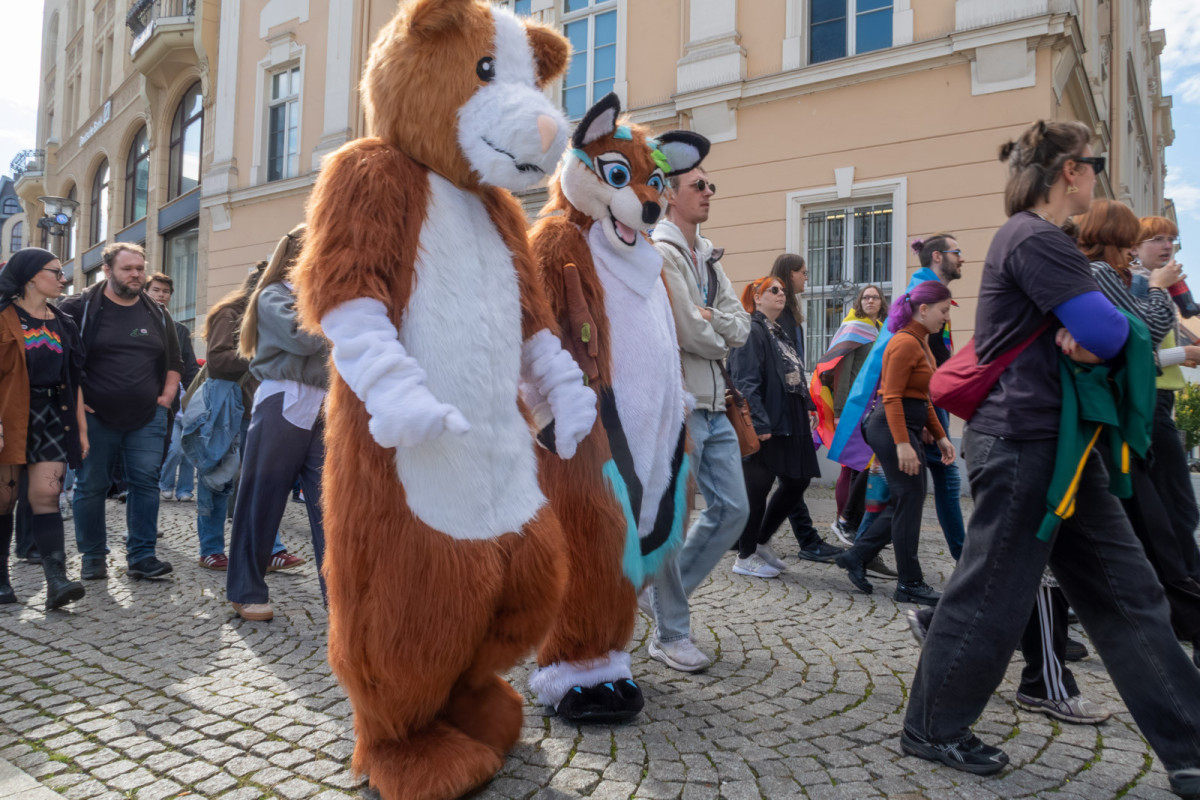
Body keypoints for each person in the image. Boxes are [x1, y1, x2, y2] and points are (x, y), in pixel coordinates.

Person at [900, 120, 1200, 800]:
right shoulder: (1032, 236)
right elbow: (1109, 328)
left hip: (1061, 444)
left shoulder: (1045, 242)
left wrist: (1105, 332)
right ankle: (931, 726)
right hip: (1023, 442)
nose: (1097, 175)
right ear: (1070, 169)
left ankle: (1190, 749)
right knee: (995, 590)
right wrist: (1106, 331)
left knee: (1129, 593)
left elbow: (1105, 330)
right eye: (1093, 163)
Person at [1078, 202, 1200, 669]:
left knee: (1156, 520)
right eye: (1150, 239)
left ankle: (1175, 614)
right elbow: (1135, 346)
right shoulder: (1113, 279)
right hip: (1121, 415)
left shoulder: (1138, 284)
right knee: (1153, 521)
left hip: (1137, 411)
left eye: (1171, 241)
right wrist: (1157, 293)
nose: (1163, 247)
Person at [647, 166, 751, 672]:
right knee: (672, 522)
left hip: (716, 403)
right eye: (699, 186)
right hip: (683, 404)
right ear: (670, 194)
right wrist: (717, 329)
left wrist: (719, 324)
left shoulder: (706, 256)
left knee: (733, 510)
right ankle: (671, 632)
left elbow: (744, 325)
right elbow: (690, 330)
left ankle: (662, 598)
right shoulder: (663, 251)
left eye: (713, 186)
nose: (709, 192)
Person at [61, 243, 183, 580]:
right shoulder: (79, 307)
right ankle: (93, 557)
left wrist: (168, 394)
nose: (136, 275)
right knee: (91, 484)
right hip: (96, 415)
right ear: (108, 270)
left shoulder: (157, 311)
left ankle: (142, 556)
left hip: (148, 415)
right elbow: (60, 360)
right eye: (128, 269)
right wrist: (73, 399)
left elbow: (174, 359)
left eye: (140, 269)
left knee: (145, 483)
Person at [226, 226, 327, 622]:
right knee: (261, 500)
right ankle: (245, 589)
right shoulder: (273, 295)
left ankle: (340, 598)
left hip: (323, 404)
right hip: (283, 400)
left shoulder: (323, 297)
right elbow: (304, 341)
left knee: (330, 507)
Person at [833, 280, 954, 605]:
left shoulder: (920, 341)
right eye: (943, 311)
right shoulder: (904, 343)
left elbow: (921, 397)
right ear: (924, 309)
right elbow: (893, 397)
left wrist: (941, 436)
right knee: (909, 500)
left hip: (901, 429)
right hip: (891, 429)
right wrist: (903, 444)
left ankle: (858, 556)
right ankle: (909, 582)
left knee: (906, 501)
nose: (945, 318)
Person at [184, 261, 302, 572]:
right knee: (217, 481)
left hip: (260, 409)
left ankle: (270, 549)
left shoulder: (272, 313)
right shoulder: (231, 312)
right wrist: (263, 349)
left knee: (261, 482)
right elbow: (218, 360)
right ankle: (210, 549)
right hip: (228, 412)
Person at [0, 249, 87, 609]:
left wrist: (81, 431)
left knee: (47, 495)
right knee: (4, 500)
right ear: (32, 276)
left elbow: (74, 379)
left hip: (54, 415)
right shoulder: (3, 317)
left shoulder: (63, 321)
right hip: (9, 414)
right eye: (56, 271)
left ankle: (57, 580)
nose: (63, 278)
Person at [729, 275, 830, 578]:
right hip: (768, 420)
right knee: (757, 487)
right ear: (756, 298)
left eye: (782, 290)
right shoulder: (750, 328)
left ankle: (760, 541)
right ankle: (744, 557)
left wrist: (808, 405)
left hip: (790, 418)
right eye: (773, 290)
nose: (780, 294)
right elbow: (745, 380)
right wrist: (758, 422)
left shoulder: (779, 331)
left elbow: (793, 373)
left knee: (797, 479)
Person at [766, 254, 845, 562]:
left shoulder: (789, 313)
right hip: (786, 407)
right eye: (803, 273)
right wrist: (806, 402)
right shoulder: (781, 314)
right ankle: (793, 539)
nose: (806, 278)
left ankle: (790, 538)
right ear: (789, 274)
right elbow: (789, 365)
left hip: (792, 404)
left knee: (790, 478)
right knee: (793, 477)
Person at [813, 284, 887, 543]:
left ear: (881, 302)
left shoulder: (880, 330)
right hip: (853, 407)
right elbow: (841, 373)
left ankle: (853, 523)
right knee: (851, 465)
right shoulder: (854, 328)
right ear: (859, 301)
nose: (870, 300)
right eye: (866, 297)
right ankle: (843, 521)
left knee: (863, 466)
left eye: (875, 297)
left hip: (874, 406)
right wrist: (840, 410)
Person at [910, 235, 967, 560]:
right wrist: (926, 413)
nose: (962, 259)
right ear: (937, 256)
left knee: (910, 483)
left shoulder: (935, 293)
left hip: (934, 402)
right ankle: (965, 557)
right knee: (939, 479)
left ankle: (858, 544)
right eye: (957, 252)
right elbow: (920, 356)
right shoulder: (922, 295)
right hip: (927, 403)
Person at [146, 272, 200, 503]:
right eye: (156, 290)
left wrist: (195, 398)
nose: (161, 295)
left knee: (183, 449)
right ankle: (158, 485)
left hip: (176, 402)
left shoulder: (180, 330)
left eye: (165, 291)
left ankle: (182, 489)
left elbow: (189, 368)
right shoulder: (136, 324)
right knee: (167, 451)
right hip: (147, 399)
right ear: (146, 292)